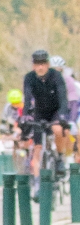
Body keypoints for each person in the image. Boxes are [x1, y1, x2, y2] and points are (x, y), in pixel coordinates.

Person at [21, 49, 70, 184]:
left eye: (43, 64)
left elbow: (63, 97)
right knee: (37, 148)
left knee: (58, 130)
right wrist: (25, 116)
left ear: (48, 64)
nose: (40, 67)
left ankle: (59, 157)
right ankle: (38, 183)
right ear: (33, 65)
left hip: (56, 111)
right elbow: (28, 98)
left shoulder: (56, 76)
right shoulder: (29, 78)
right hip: (39, 113)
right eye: (37, 64)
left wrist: (62, 115)